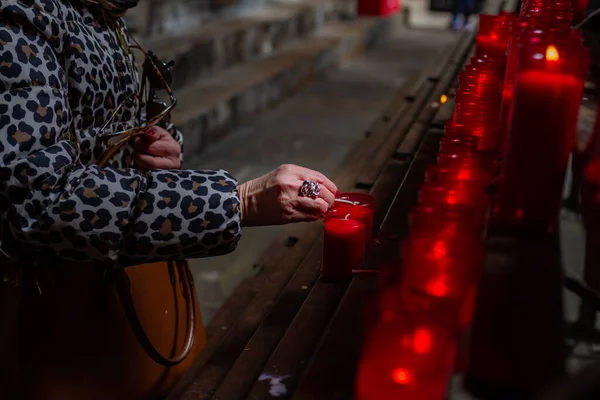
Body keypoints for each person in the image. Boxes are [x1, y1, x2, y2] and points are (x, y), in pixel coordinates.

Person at [0, 0, 338, 398]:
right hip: (54, 309)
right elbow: (39, 199)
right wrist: (236, 201)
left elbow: (92, 132)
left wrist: (154, 149)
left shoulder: (102, 9)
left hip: (110, 290)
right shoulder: (18, 18)